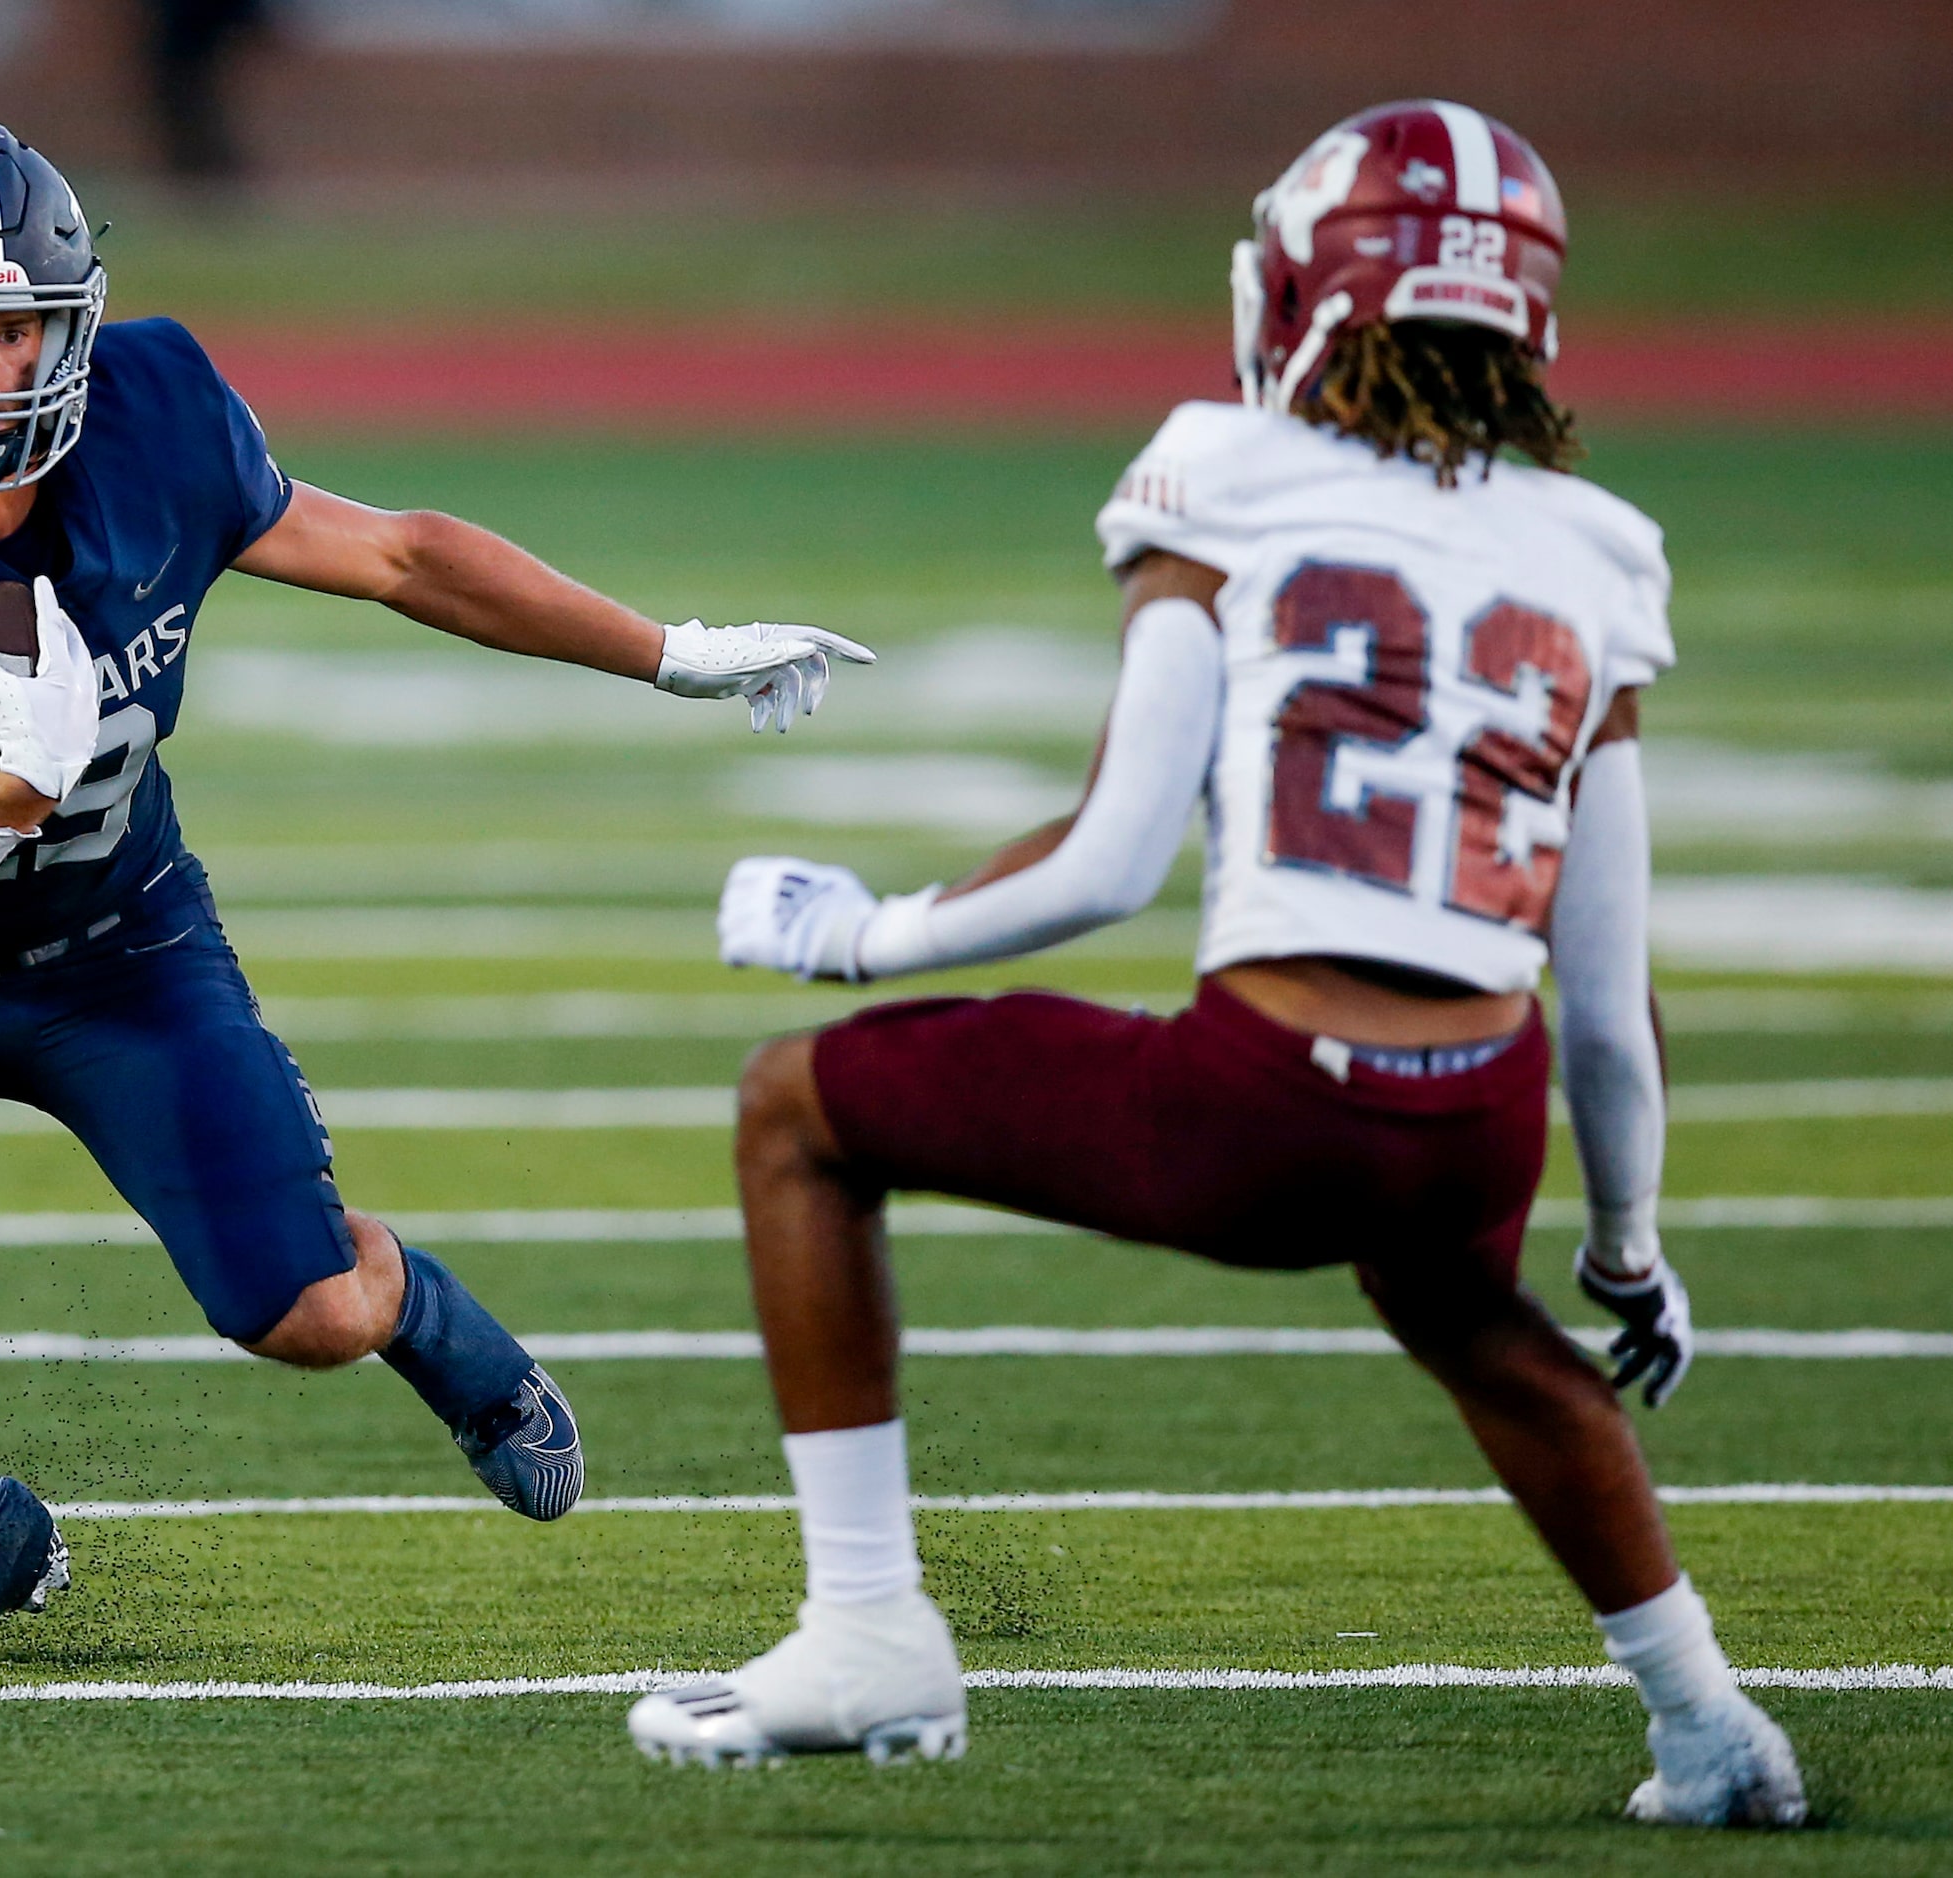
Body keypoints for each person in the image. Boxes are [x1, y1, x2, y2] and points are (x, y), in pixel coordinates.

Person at [628, 100, 1807, 1829]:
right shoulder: (1597, 549)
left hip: (1266, 1102)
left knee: (797, 1107)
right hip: (1481, 1102)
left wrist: (859, 938)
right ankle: (1710, 1727)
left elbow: (1111, 855)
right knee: (1476, 1316)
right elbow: (1605, 992)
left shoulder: (1227, 475)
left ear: (1308, 295)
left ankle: (867, 1627)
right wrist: (1627, 1239)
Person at [0, 115, 871, 1665]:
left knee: (309, 1318)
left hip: (121, 954)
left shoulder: (155, 406)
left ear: (65, 323)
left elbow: (405, 556)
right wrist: (7, 787)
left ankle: (419, 1308)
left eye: (8, 326)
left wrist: (671, 649)